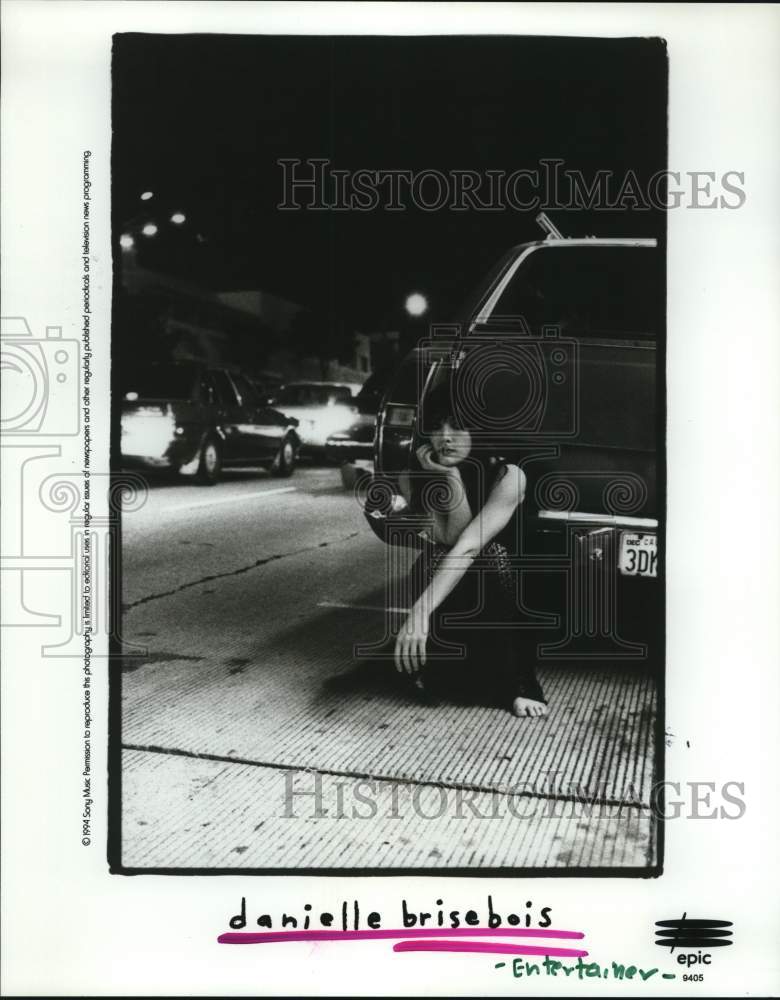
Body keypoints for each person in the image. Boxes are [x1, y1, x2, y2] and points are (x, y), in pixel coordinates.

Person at [393, 392, 548, 717]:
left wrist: (419, 611)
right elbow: (450, 537)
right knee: (433, 558)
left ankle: (521, 679)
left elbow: (470, 546)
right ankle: (436, 662)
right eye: (437, 427)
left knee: (493, 554)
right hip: (459, 584)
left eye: (459, 426)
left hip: (510, 591)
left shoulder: (510, 476)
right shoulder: (412, 477)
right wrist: (448, 477)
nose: (446, 437)